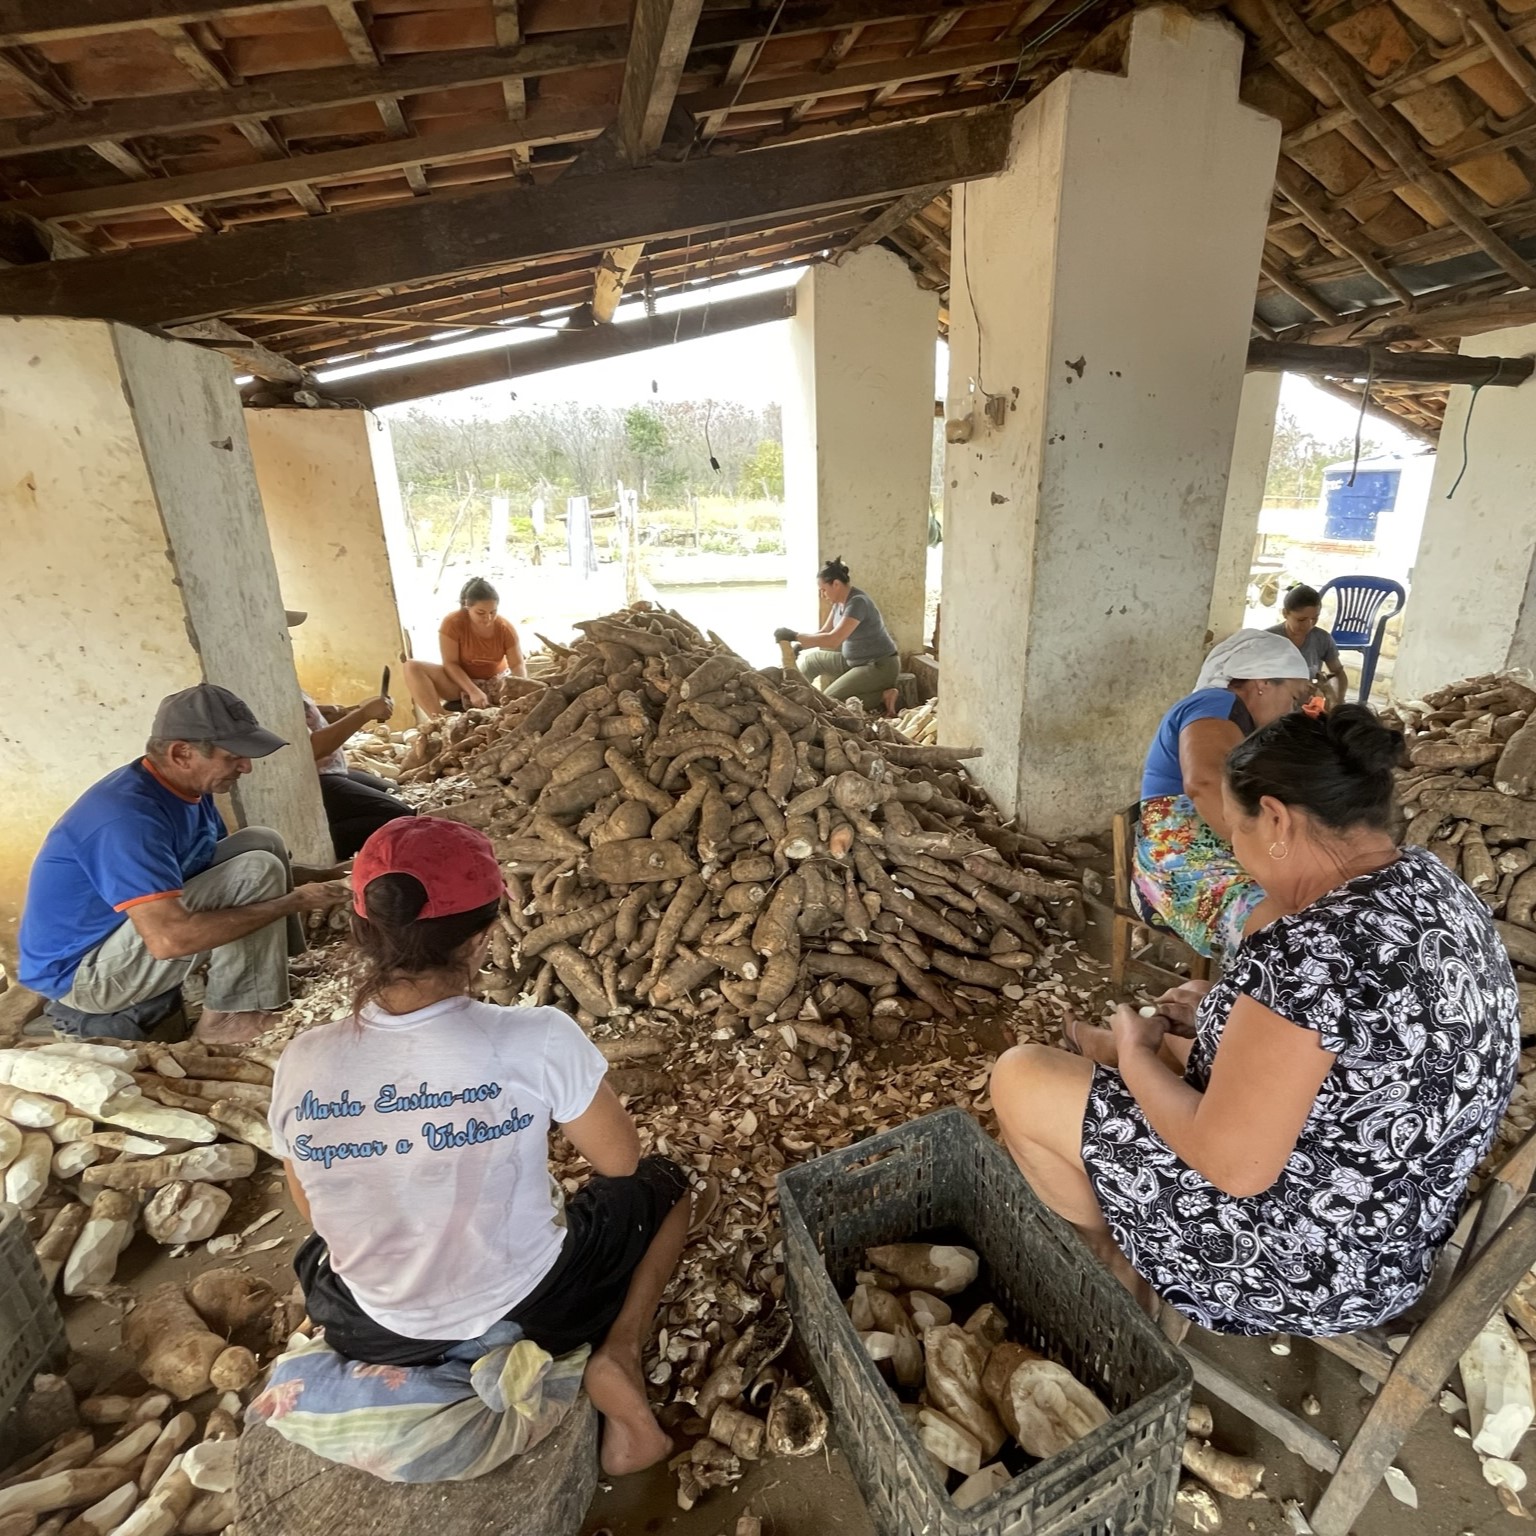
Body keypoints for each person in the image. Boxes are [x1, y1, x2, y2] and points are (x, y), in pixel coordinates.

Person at [992, 705, 1520, 1338]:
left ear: (1275, 818)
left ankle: (1119, 1270)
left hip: (1305, 1265)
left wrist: (1134, 1052)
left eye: (1234, 831)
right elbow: (1341, 1058)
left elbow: (1236, 1166)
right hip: (1394, 1233)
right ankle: (1109, 1064)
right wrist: (1225, 1014)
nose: (1233, 852)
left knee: (1020, 1076)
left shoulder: (1312, 949)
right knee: (1151, 1055)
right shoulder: (1434, 883)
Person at [269, 816, 691, 1478]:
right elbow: (619, 1164)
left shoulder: (303, 1060)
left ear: (358, 929)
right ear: (485, 936)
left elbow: (313, 1209)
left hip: (372, 1325)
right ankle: (620, 1354)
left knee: (317, 1253)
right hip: (534, 1307)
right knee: (662, 1187)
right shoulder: (537, 1036)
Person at [18, 685, 348, 1044]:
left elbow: (211, 876)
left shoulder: (185, 790)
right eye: (234, 756)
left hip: (123, 940)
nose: (246, 767)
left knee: (261, 842)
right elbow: (169, 940)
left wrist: (330, 877)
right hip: (86, 975)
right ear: (182, 753)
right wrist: (296, 901)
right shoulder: (128, 820)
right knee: (255, 871)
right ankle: (229, 1020)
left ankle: (274, 971)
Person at [1134, 630, 1313, 958]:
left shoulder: (1238, 721)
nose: (1293, 710)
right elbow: (1203, 782)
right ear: (1262, 683)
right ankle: (1247, 999)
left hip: (1206, 849)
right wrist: (1266, 855)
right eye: (1294, 698)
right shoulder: (1217, 702)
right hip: (1177, 862)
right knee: (1281, 931)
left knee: (1306, 905)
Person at [775, 557, 900, 713]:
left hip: (878, 665)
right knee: (811, 661)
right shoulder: (838, 604)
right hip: (853, 661)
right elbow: (825, 632)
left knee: (830, 702)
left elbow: (834, 640)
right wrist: (800, 645)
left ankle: (883, 696)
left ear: (836, 584)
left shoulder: (857, 603)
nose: (822, 594)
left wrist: (794, 635)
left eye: (823, 589)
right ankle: (792, 697)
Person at [402, 578, 525, 718]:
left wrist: (516, 691)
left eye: (493, 612)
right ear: (467, 607)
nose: (488, 618)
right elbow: (450, 663)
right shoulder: (452, 623)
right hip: (461, 683)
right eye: (481, 613)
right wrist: (472, 690)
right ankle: (438, 719)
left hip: (496, 684)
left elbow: (517, 664)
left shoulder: (505, 628)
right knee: (411, 667)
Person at [1270, 584, 1347, 707]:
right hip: (1273, 704)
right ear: (1285, 613)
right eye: (1301, 620)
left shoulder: (1322, 639)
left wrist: (1337, 701)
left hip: (1308, 706)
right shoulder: (1268, 639)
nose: (1308, 625)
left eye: (1314, 618)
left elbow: (1338, 673)